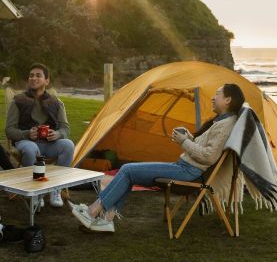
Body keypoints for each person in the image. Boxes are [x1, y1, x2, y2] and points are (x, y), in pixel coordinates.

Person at [69, 83, 245, 233]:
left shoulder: (225, 125)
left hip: (188, 172)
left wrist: (184, 142)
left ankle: (93, 212)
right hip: (186, 168)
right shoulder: (223, 121)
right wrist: (189, 138)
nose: (213, 98)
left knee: (127, 169)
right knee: (129, 173)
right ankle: (106, 219)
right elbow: (206, 148)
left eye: (217, 95)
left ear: (228, 100)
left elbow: (208, 156)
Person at [5, 63, 74, 207]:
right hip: (26, 142)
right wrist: (26, 134)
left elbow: (65, 128)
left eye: (38, 75)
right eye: (31, 75)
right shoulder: (18, 101)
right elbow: (9, 130)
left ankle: (56, 188)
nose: (33, 78)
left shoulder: (56, 102)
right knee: (30, 149)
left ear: (47, 81)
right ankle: (37, 191)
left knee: (68, 145)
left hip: (49, 144)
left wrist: (57, 134)